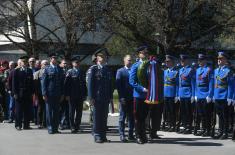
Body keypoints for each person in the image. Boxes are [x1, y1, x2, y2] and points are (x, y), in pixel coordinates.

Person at [87, 50, 113, 143]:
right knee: (97, 117)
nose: (104, 58)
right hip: (97, 97)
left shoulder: (106, 69)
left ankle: (103, 135)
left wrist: (110, 97)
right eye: (102, 56)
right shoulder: (93, 69)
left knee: (104, 117)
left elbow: (110, 85)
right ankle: (97, 135)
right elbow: (90, 84)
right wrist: (91, 98)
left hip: (105, 97)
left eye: (105, 56)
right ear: (97, 58)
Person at [41, 53, 64, 134]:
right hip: (49, 94)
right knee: (49, 111)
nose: (54, 59)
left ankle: (55, 128)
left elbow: (62, 83)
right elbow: (44, 82)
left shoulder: (60, 69)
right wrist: (44, 94)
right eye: (53, 58)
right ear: (50, 59)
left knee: (57, 112)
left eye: (56, 58)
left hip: (58, 93)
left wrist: (62, 94)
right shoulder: (46, 69)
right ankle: (50, 128)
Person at [213, 51, 234, 139]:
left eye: (221, 59)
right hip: (217, 96)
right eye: (218, 59)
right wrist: (214, 95)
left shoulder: (228, 71)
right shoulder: (216, 70)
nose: (219, 60)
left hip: (224, 96)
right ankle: (220, 131)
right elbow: (215, 83)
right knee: (219, 115)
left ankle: (225, 132)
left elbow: (231, 85)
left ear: (225, 60)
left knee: (225, 116)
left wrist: (230, 97)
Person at [64, 56, 87, 133]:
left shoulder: (82, 72)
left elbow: (84, 84)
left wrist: (85, 94)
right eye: (75, 62)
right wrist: (67, 94)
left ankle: (77, 126)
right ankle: (72, 126)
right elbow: (66, 84)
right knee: (71, 112)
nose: (77, 63)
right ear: (72, 63)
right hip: (72, 95)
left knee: (79, 112)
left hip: (80, 95)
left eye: (78, 62)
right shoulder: (69, 72)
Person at [116, 55, 135, 142]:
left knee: (131, 117)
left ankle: (130, 134)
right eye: (128, 60)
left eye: (131, 60)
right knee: (122, 117)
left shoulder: (134, 70)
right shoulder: (120, 71)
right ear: (124, 61)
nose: (130, 62)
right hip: (124, 98)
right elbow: (118, 86)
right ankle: (122, 135)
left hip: (133, 97)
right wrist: (121, 97)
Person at [194, 54, 214, 137]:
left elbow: (211, 83)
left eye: (201, 60)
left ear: (205, 60)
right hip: (199, 94)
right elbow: (196, 83)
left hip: (206, 94)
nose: (199, 61)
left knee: (207, 114)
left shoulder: (209, 70)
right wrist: (195, 94)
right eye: (198, 60)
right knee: (201, 114)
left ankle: (208, 130)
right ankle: (203, 129)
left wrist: (210, 95)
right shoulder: (198, 70)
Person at [12, 56, 34, 130]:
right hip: (19, 93)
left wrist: (32, 93)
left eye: (25, 62)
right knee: (18, 110)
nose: (24, 63)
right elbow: (14, 83)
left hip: (28, 93)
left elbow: (31, 83)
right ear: (20, 63)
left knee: (27, 110)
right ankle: (18, 125)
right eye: (23, 62)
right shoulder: (16, 71)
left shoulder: (30, 71)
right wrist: (15, 93)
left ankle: (26, 125)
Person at [178, 54, 195, 134]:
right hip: (181, 92)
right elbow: (179, 83)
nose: (182, 62)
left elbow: (193, 83)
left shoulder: (190, 70)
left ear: (187, 61)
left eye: (183, 60)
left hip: (188, 91)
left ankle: (189, 127)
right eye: (181, 60)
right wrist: (178, 93)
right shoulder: (180, 70)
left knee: (188, 111)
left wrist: (193, 94)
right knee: (183, 111)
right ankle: (184, 126)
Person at [163, 55, 179, 132]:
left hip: (172, 94)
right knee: (167, 110)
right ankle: (168, 124)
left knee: (172, 111)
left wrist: (176, 95)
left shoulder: (176, 72)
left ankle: (173, 125)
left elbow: (177, 84)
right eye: (166, 62)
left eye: (168, 61)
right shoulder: (165, 71)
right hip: (165, 93)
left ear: (172, 62)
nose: (167, 63)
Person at [34, 60, 48, 128]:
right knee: (40, 108)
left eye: (47, 64)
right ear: (41, 65)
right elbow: (35, 85)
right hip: (40, 93)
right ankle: (39, 122)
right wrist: (36, 94)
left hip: (48, 93)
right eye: (44, 64)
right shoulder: (37, 73)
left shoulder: (50, 72)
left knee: (47, 109)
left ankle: (45, 123)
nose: (46, 65)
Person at [59, 59, 70, 130]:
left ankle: (67, 123)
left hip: (68, 94)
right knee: (61, 110)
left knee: (67, 110)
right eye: (64, 63)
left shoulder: (69, 72)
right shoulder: (59, 72)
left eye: (66, 63)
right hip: (60, 94)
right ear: (60, 64)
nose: (65, 65)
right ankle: (61, 124)